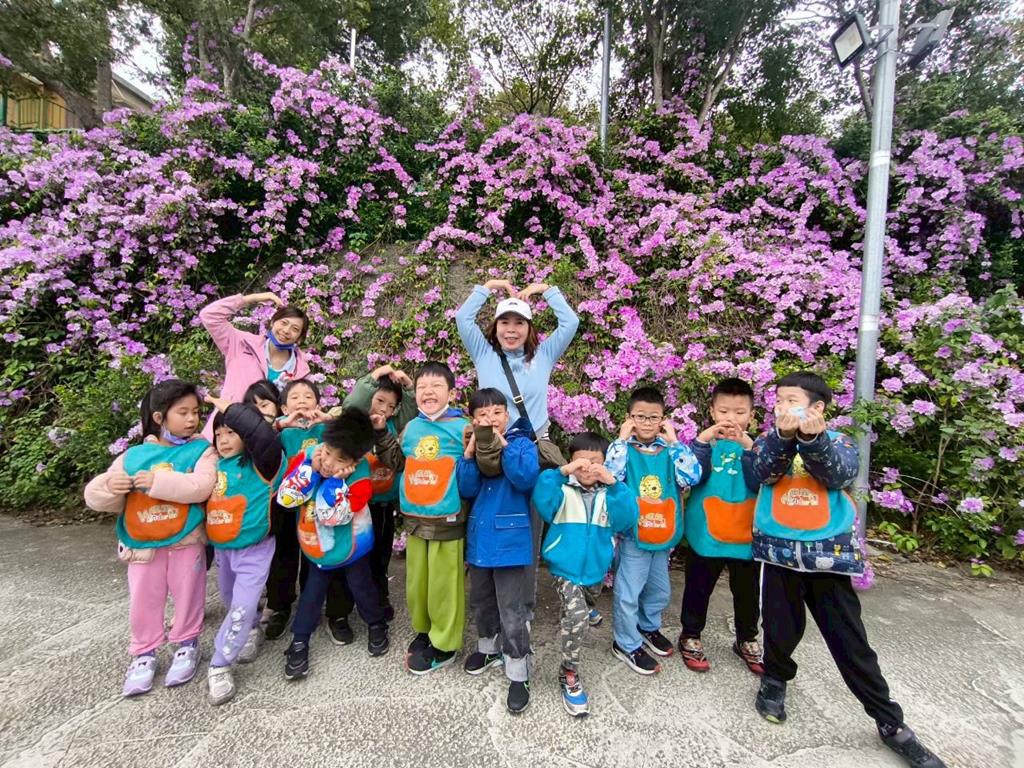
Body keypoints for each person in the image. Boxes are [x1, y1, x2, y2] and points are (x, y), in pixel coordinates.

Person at [747, 372, 945, 768]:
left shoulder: (839, 442)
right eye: (778, 400)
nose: (781, 406)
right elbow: (760, 476)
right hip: (779, 555)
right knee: (780, 628)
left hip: (828, 557)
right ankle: (774, 681)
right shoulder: (768, 441)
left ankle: (889, 720)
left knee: (849, 639)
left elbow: (837, 475)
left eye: (790, 400)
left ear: (817, 407)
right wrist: (784, 439)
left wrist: (811, 441)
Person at [84, 379, 217, 697]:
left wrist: (158, 481)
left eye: (195, 412)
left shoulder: (202, 450)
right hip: (142, 543)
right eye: (182, 412)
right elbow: (96, 497)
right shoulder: (133, 456)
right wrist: (109, 487)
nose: (191, 419)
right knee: (143, 599)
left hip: (186, 539)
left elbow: (202, 487)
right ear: (159, 417)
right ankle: (144, 652)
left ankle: (187, 643)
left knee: (189, 593)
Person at [276, 410, 390, 679]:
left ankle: (376, 624)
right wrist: (311, 470)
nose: (328, 462)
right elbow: (286, 498)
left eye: (340, 460)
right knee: (312, 593)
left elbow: (334, 516)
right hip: (316, 545)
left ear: (356, 460)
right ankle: (299, 641)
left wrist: (334, 482)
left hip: (353, 545)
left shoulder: (361, 475)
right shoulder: (310, 456)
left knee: (362, 587)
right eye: (327, 452)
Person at [374, 361, 470, 675]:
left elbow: (476, 472)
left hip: (448, 521)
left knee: (444, 586)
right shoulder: (412, 427)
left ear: (451, 392)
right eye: (422, 387)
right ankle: (425, 630)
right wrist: (381, 434)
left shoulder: (463, 428)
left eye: (436, 386)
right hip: (415, 519)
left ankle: (445, 645)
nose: (428, 392)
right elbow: (398, 462)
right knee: (418, 584)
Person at [532, 432, 638, 717]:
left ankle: (581, 609)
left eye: (595, 461)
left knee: (584, 604)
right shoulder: (562, 490)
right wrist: (562, 472)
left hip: (595, 570)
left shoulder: (610, 495)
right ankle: (569, 673)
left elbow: (627, 518)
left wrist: (613, 484)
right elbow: (542, 497)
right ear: (571, 462)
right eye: (580, 460)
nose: (588, 467)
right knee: (577, 615)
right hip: (564, 568)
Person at [606, 386, 702, 675]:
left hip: (663, 533)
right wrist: (621, 440)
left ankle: (647, 627)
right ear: (629, 418)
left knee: (659, 589)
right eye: (640, 416)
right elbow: (611, 476)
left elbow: (692, 477)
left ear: (663, 419)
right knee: (628, 593)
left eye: (653, 417)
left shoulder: (670, 451)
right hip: (633, 536)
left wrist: (675, 442)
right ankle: (625, 642)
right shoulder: (623, 449)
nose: (646, 423)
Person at [457, 388, 540, 714]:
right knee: (481, 600)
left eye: (496, 413)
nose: (490, 419)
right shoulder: (473, 446)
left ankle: (519, 671)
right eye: (482, 415)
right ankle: (489, 648)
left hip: (510, 543)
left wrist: (503, 446)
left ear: (507, 415)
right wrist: (469, 454)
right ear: (473, 420)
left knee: (511, 608)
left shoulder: (522, 444)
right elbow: (466, 489)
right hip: (480, 539)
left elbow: (525, 478)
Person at [323, 364, 418, 640]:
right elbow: (353, 403)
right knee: (345, 556)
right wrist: (375, 376)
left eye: (391, 406)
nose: (384, 409)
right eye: (379, 401)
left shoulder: (393, 425)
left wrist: (408, 386)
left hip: (382, 504)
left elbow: (411, 410)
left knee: (380, 555)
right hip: (353, 506)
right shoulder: (354, 424)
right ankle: (338, 612)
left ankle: (379, 597)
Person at [204, 395, 285, 704]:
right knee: (230, 600)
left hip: (255, 549)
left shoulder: (264, 465)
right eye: (219, 434)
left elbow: (263, 436)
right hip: (223, 550)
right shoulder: (213, 465)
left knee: (241, 605)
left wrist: (231, 409)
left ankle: (220, 664)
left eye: (231, 432)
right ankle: (251, 630)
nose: (223, 440)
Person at [678, 377, 763, 675]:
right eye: (724, 411)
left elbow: (760, 480)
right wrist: (702, 442)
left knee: (748, 592)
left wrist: (749, 447)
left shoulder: (759, 447)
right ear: (712, 412)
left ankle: (747, 638)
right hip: (706, 534)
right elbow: (692, 476)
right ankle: (690, 634)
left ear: (751, 415)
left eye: (740, 412)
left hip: (746, 534)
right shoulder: (703, 444)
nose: (731, 419)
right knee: (698, 587)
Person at [455, 279, 579, 460]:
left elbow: (571, 322)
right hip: (495, 445)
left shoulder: (544, 354)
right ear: (496, 327)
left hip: (535, 445)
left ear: (529, 329)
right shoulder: (483, 353)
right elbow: (463, 318)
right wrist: (490, 285)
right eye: (504, 322)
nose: (511, 330)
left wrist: (545, 289)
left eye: (519, 323)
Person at [262, 377, 332, 640]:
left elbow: (345, 438)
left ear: (318, 404)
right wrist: (281, 423)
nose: (302, 401)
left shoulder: (324, 429)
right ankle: (280, 607)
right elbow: (256, 438)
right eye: (294, 397)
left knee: (313, 556)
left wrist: (327, 420)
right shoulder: (281, 432)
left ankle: (310, 605)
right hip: (286, 506)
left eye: (308, 396)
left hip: (315, 505)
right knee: (284, 557)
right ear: (283, 407)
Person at [199, 291, 310, 439]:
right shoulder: (241, 343)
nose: (286, 331)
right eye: (283, 323)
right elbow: (209, 315)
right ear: (272, 322)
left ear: (300, 338)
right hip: (224, 433)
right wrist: (255, 298)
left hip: (263, 442)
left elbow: (300, 413)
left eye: (295, 329)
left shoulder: (300, 371)